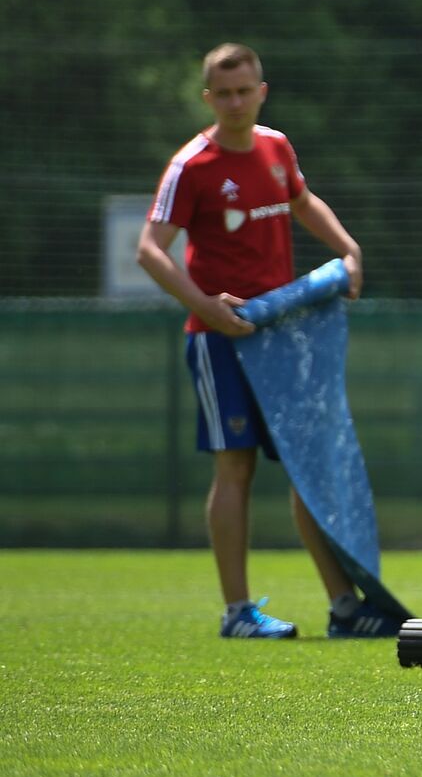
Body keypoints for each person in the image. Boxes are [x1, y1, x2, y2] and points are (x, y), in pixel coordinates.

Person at [136, 43, 399, 639]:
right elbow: (149, 250)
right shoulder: (192, 166)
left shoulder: (276, 148)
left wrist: (349, 249)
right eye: (222, 93)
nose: (234, 101)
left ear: (261, 91)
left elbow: (302, 201)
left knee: (308, 468)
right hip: (218, 339)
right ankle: (238, 613)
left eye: (243, 90)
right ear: (209, 98)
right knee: (236, 471)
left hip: (284, 340)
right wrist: (205, 306)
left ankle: (345, 608)